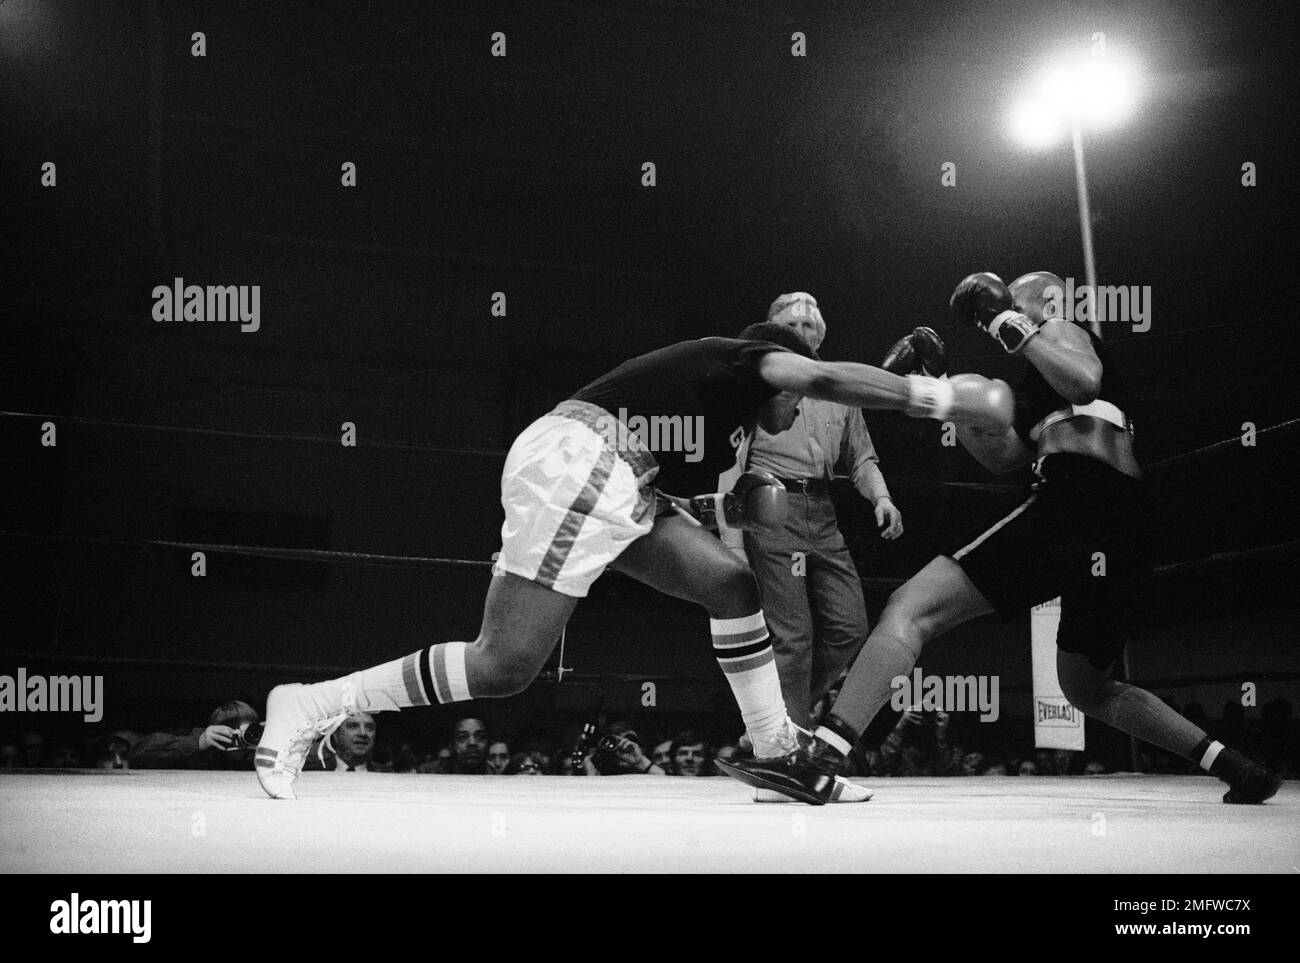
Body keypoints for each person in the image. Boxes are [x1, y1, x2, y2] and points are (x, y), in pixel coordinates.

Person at [256, 323, 1015, 799]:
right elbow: (819, 378)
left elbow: (702, 512)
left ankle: (778, 751)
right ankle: (314, 703)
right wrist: (940, 397)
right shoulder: (752, 359)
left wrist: (749, 501)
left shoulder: (725, 435)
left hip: (621, 485)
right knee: (505, 665)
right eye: (796, 397)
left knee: (731, 584)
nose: (802, 412)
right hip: (585, 461)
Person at [716, 270, 1284, 806]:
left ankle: (821, 759)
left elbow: (1083, 383)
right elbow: (1006, 457)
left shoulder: (1065, 332)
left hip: (1080, 499)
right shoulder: (1039, 383)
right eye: (1002, 305)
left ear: (1051, 304)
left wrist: (1003, 320)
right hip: (1123, 526)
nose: (1006, 312)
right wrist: (944, 392)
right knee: (1088, 687)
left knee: (911, 608)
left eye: (1016, 302)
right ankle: (1236, 767)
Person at [736, 293, 906, 729]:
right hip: (771, 503)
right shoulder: (756, 378)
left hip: (824, 509)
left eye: (808, 327)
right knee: (792, 636)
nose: (801, 333)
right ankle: (787, 743)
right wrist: (730, 528)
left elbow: (862, 457)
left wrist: (882, 498)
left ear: (820, 336)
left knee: (850, 628)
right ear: (773, 330)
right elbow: (732, 457)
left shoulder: (838, 386)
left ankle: (775, 717)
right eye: (791, 326)